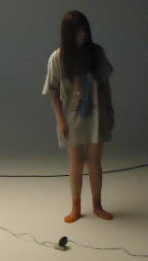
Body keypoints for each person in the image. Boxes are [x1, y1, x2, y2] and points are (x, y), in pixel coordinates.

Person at [43, 11, 115, 223]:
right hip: (71, 117)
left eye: (84, 29)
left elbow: (105, 85)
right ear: (68, 33)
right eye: (77, 31)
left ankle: (97, 205)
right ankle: (75, 206)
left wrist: (110, 111)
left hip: (96, 114)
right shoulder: (58, 58)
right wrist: (60, 120)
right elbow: (52, 91)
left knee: (94, 161)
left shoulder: (96, 53)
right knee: (75, 163)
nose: (83, 34)